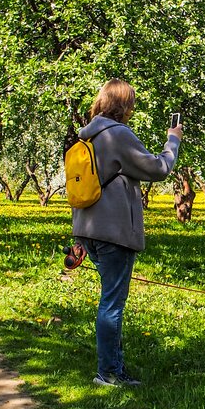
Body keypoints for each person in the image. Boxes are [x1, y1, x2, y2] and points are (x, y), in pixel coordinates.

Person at [72, 78, 182, 388]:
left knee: (109, 299)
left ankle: (112, 365)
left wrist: (78, 237)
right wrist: (172, 140)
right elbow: (158, 169)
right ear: (125, 106)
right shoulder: (117, 135)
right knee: (112, 303)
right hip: (113, 232)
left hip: (89, 230)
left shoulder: (87, 136)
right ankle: (108, 372)